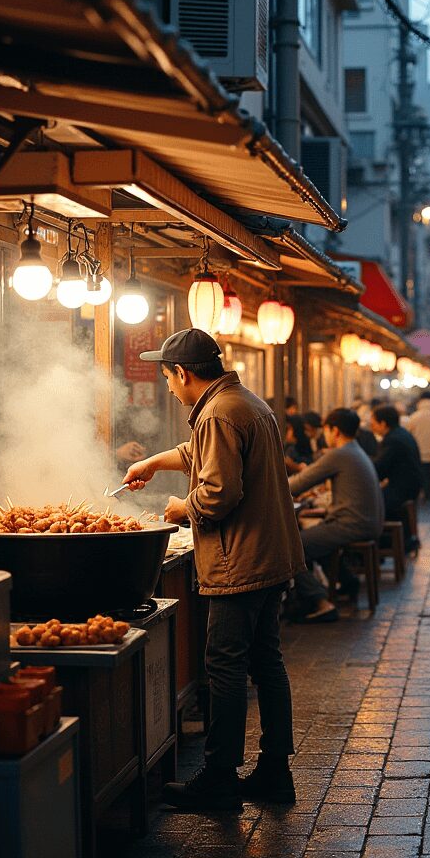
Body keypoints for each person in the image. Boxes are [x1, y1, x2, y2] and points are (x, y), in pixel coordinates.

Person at [124, 328, 304, 811]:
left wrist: (181, 508)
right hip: (271, 556)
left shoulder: (220, 414)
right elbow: (197, 456)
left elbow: (218, 494)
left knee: (224, 668)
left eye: (167, 376)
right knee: (267, 664)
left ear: (182, 373)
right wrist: (151, 463)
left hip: (239, 563)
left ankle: (220, 780)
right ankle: (273, 772)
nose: (166, 386)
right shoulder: (242, 402)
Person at [287, 408, 384, 622]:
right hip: (366, 522)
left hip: (353, 525)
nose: (325, 435)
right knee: (315, 537)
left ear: (335, 431)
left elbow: (299, 482)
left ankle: (320, 602)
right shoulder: (354, 450)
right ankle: (348, 583)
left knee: (289, 548)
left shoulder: (340, 454)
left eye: (327, 430)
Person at [370, 405, 422, 544]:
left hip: (402, 489)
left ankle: (380, 546)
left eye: (373, 423)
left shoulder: (392, 440)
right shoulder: (401, 433)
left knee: (371, 504)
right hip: (409, 485)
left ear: (383, 423)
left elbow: (379, 469)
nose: (372, 427)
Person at [405, 390, 430, 500]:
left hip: (419, 454)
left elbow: (408, 436)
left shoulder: (413, 417)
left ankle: (424, 495)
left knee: (423, 477)